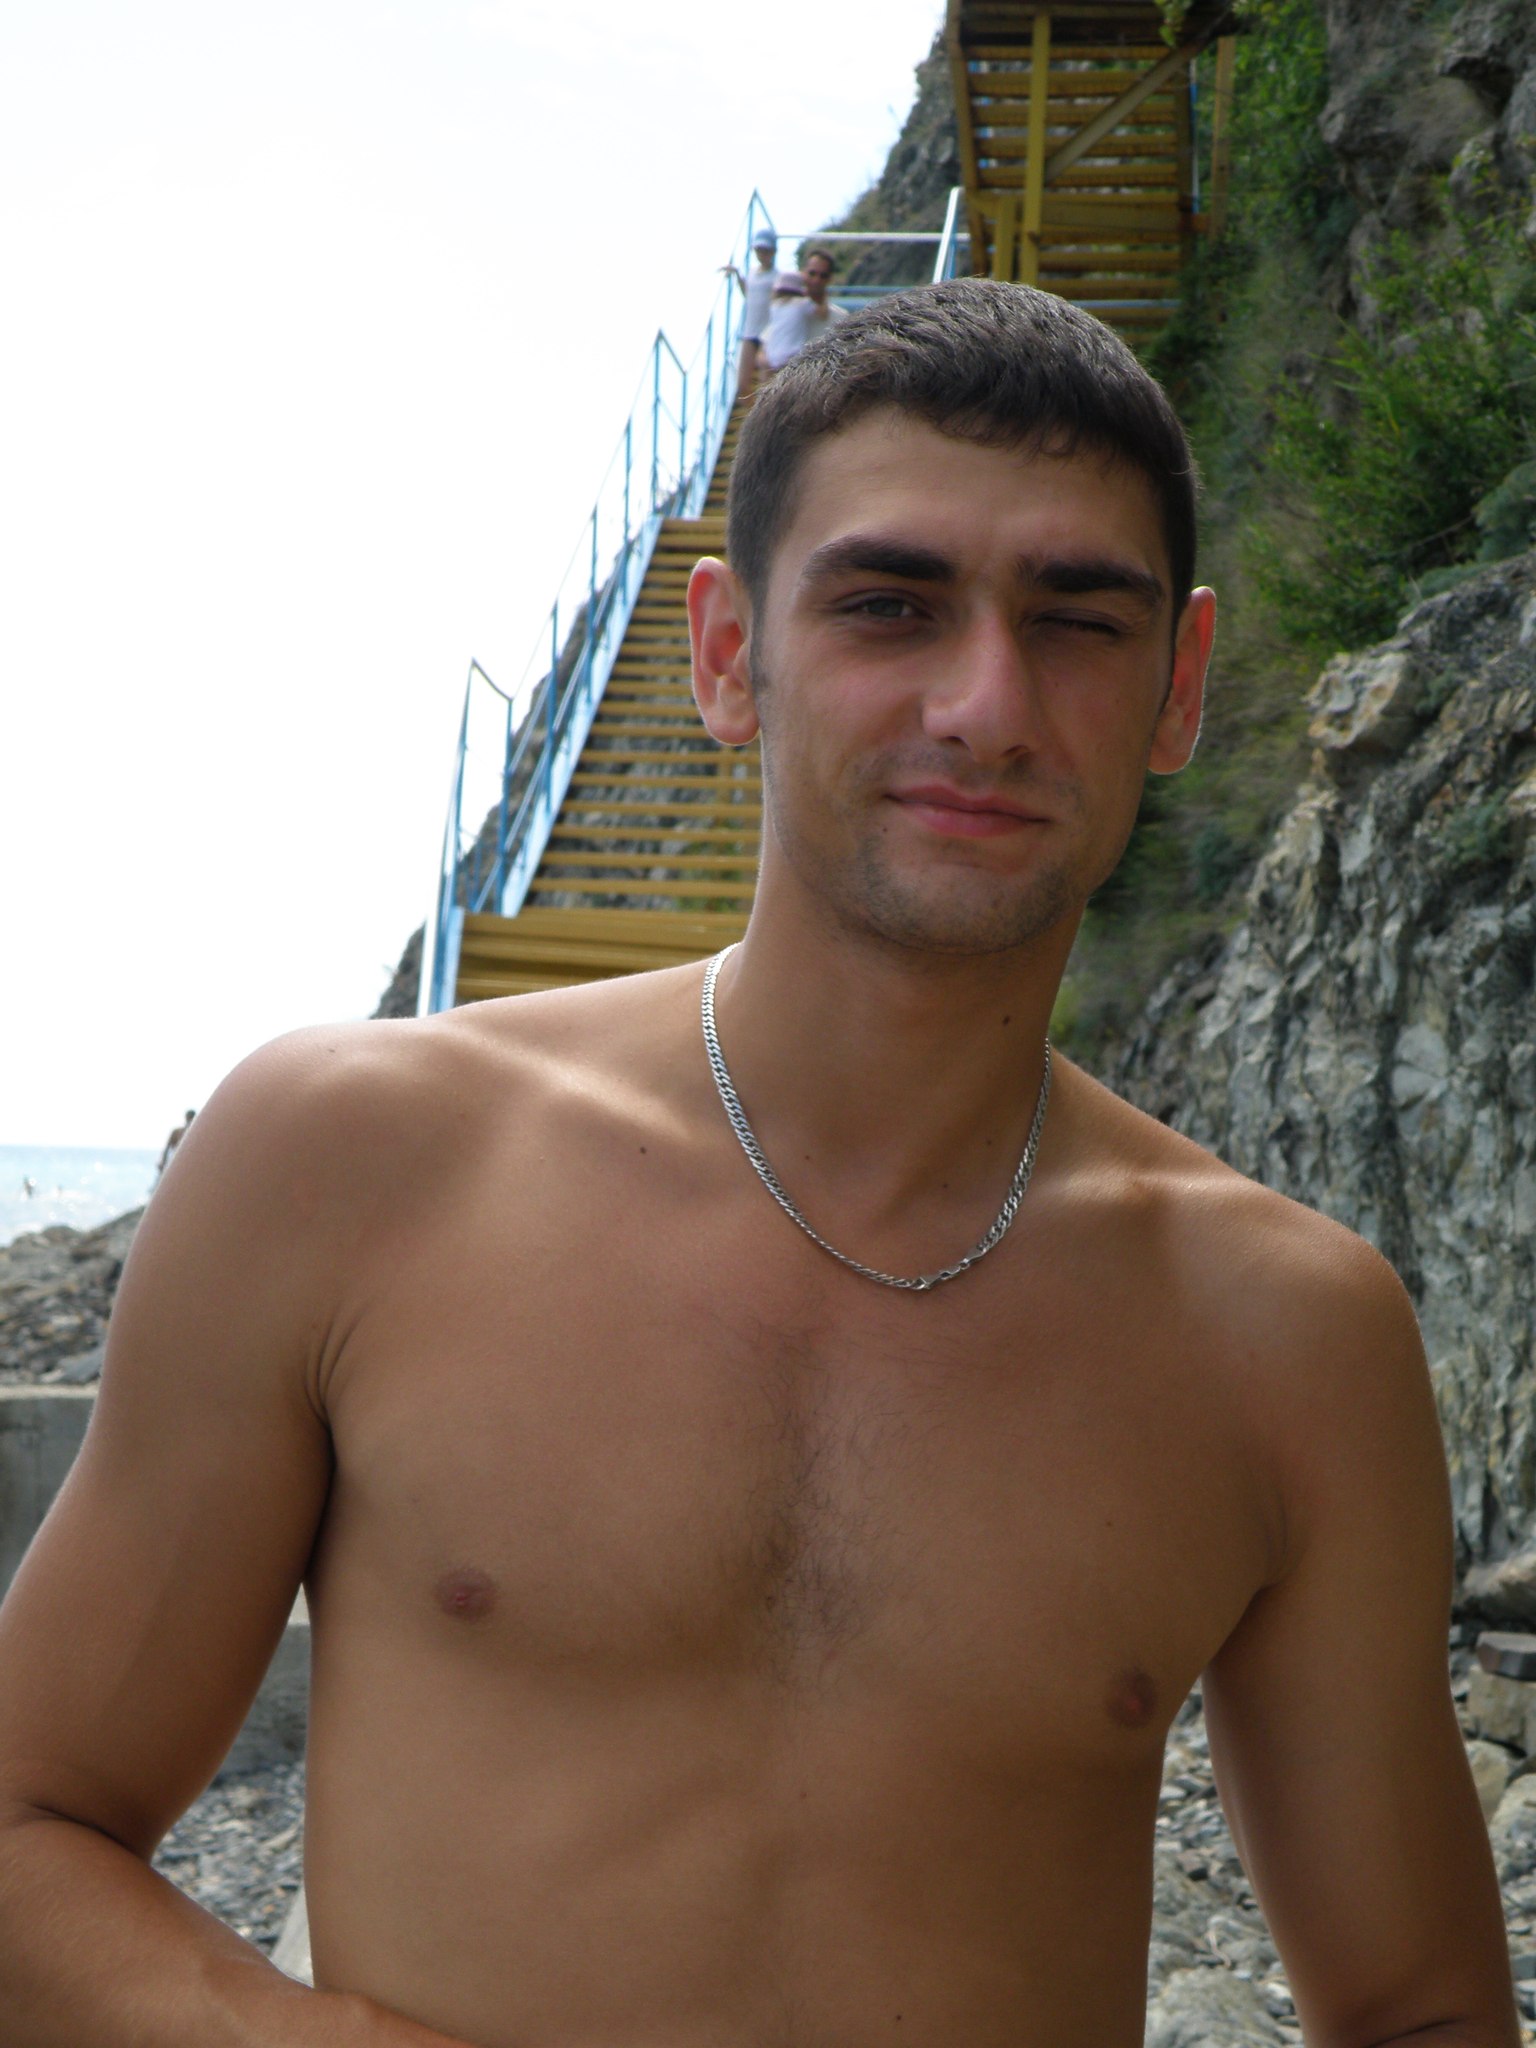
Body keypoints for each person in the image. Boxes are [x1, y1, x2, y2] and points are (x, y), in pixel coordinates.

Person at [0, 279, 1516, 2048]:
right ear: (728, 655)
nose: (987, 703)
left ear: (1178, 688)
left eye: (1076, 621)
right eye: (889, 604)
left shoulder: (1285, 1336)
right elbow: (30, 1828)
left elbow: (1421, 2012)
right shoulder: (350, 1166)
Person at [760, 246, 846, 373]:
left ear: (829, 279)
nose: (816, 280)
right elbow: (763, 353)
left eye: (823, 275)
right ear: (803, 273)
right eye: (812, 273)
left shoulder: (841, 319)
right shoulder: (784, 308)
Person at [724, 224, 780, 398]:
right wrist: (737, 274)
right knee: (742, 385)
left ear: (773, 252)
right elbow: (748, 293)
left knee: (765, 384)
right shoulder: (752, 273)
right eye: (759, 250)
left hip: (768, 334)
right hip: (750, 332)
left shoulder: (777, 276)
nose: (762, 254)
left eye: (766, 250)